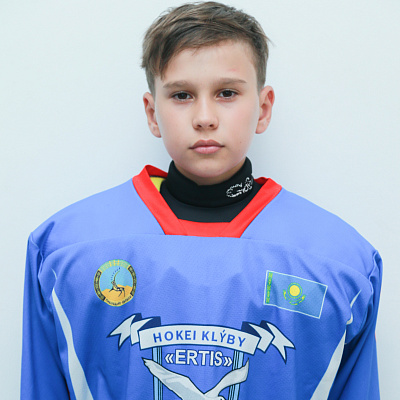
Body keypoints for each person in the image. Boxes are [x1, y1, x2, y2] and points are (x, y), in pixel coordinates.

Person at [21, 2, 382, 399]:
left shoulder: (340, 263)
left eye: (227, 93)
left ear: (263, 109)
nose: (205, 117)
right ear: (152, 113)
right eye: (182, 95)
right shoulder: (66, 250)